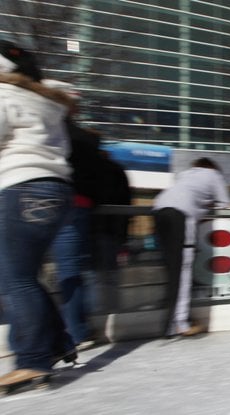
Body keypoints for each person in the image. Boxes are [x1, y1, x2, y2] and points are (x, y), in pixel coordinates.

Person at [0, 41, 78, 380]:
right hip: (56, 189)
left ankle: (32, 360)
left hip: (20, 186)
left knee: (15, 279)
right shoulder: (47, 102)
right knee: (21, 276)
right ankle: (57, 342)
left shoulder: (4, 95)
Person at [44, 79, 102, 349]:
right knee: (70, 269)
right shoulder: (85, 139)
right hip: (75, 205)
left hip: (25, 202)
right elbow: (95, 179)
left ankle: (34, 335)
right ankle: (76, 332)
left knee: (21, 273)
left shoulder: (36, 131)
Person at [152, 157, 230, 338]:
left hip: (159, 209)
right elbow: (225, 202)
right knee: (183, 270)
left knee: (171, 268)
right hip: (180, 215)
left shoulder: (185, 174)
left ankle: (172, 320)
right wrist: (207, 206)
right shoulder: (213, 175)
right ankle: (179, 323)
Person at [91, 150, 132, 313]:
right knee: (110, 275)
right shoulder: (118, 171)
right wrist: (123, 237)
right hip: (113, 231)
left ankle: (97, 312)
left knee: (93, 275)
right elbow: (126, 204)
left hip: (93, 228)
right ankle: (112, 309)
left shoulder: (92, 169)